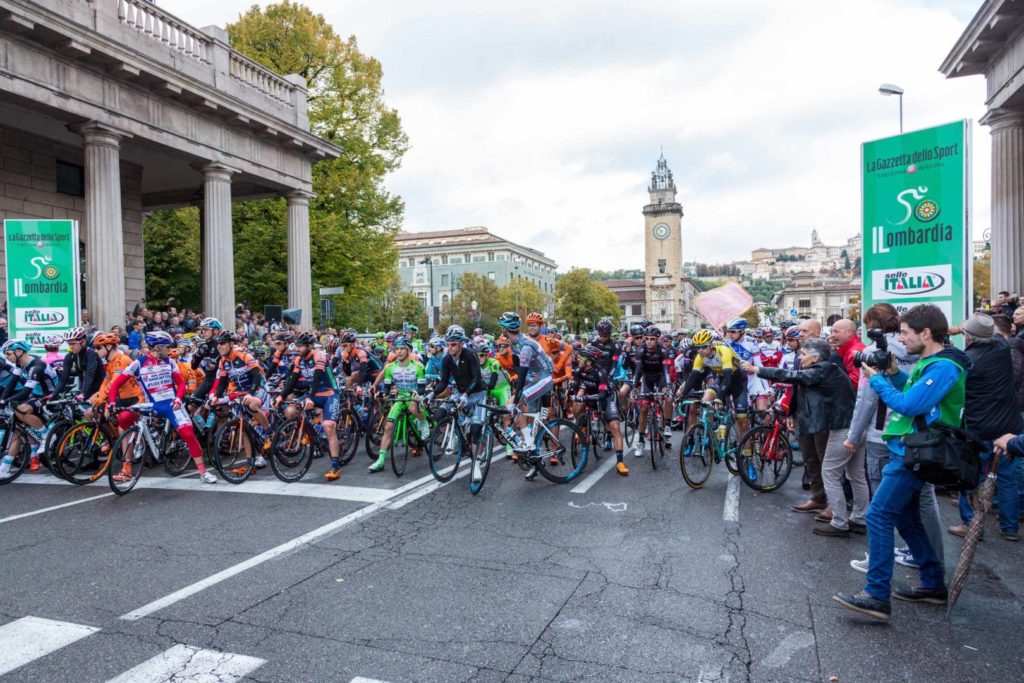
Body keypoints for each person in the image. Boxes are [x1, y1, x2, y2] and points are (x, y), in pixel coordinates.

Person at [834, 304, 970, 623]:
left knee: (879, 515)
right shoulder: (931, 363)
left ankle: (877, 595)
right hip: (910, 448)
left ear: (926, 333)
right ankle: (933, 583)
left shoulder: (944, 366)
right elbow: (914, 395)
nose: (902, 339)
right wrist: (894, 374)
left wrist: (877, 380)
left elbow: (909, 405)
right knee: (907, 520)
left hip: (916, 451)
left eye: (906, 333)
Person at [843, 303, 940, 574]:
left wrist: (853, 436)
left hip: (883, 433)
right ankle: (930, 557)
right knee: (922, 500)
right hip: (919, 435)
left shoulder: (875, 353)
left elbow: (866, 399)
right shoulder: (921, 353)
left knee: (880, 508)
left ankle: (877, 564)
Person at [742, 337, 854, 522]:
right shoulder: (811, 368)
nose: (800, 357)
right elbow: (797, 389)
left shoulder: (824, 368)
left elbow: (792, 376)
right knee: (811, 460)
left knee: (826, 465)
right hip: (809, 420)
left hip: (825, 423)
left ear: (815, 357)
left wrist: (757, 369)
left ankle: (833, 507)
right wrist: (792, 413)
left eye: (804, 354)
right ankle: (818, 499)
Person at [948, 313, 1022, 542]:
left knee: (970, 477)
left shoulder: (968, 361)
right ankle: (1009, 527)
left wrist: (955, 330)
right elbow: (995, 333)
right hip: (1008, 425)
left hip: (979, 429)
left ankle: (971, 525)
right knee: (1007, 479)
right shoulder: (1002, 348)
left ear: (968, 336)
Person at [108, 331, 217, 484]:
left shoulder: (170, 362)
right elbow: (115, 385)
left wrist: (178, 398)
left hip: (171, 403)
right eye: (167, 347)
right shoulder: (138, 363)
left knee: (188, 433)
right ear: (158, 347)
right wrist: (112, 402)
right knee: (124, 417)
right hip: (152, 404)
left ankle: (203, 472)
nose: (170, 349)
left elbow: (181, 384)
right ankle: (127, 467)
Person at [572, 344, 628, 475]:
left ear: (589, 361)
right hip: (589, 395)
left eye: (581, 357)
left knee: (615, 426)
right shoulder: (579, 370)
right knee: (577, 404)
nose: (578, 359)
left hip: (606, 398)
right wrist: (575, 396)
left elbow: (602, 395)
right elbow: (574, 388)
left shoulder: (600, 373)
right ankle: (582, 426)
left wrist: (585, 397)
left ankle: (620, 462)